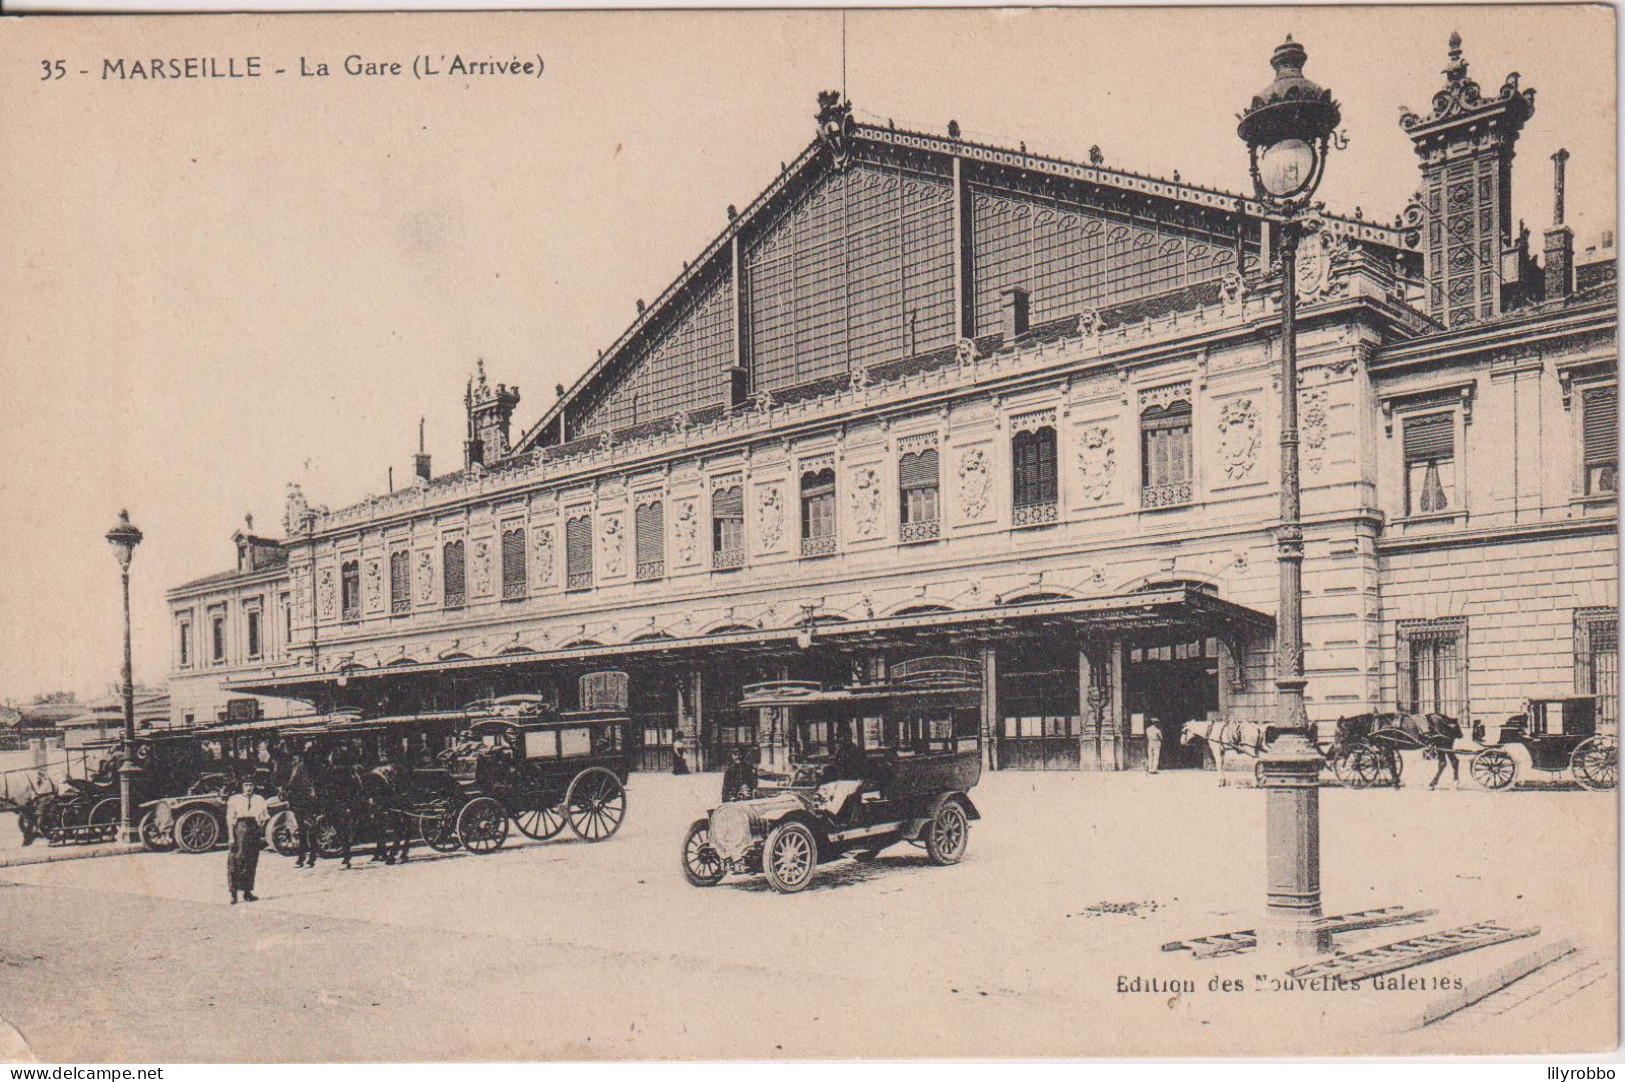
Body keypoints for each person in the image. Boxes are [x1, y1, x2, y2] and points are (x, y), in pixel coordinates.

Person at [225, 776, 270, 904]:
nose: (249, 788)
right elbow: (230, 820)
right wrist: (231, 837)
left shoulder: (259, 799)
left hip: (253, 829)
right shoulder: (235, 799)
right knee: (236, 860)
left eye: (251, 785)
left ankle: (247, 892)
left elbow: (265, 816)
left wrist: (260, 825)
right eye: (246, 785)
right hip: (240, 828)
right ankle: (233, 893)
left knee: (251, 860)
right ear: (242, 787)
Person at [284, 746, 321, 869]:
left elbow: (306, 785)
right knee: (302, 829)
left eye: (296, 757)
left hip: (306, 802)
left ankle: (310, 856)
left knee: (309, 828)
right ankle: (304, 856)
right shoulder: (294, 769)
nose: (293, 760)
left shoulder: (305, 768)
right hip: (298, 801)